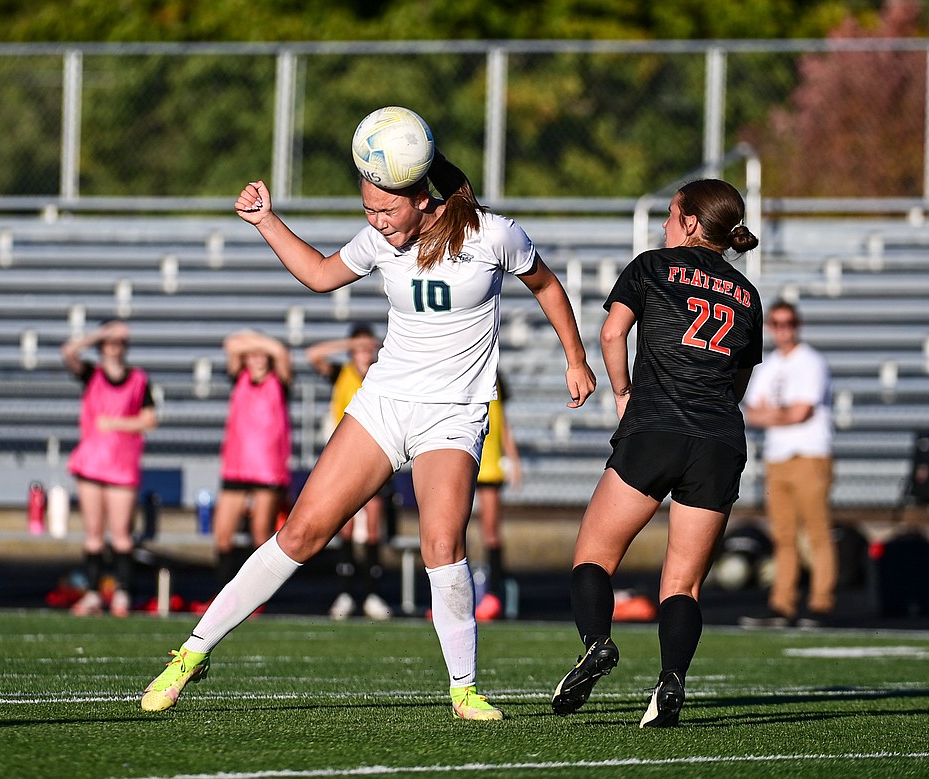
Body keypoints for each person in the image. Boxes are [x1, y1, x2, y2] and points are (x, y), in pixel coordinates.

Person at [141, 109, 597, 721]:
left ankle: (464, 690)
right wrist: (265, 222)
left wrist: (575, 358)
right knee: (300, 534)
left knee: (442, 544)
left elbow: (545, 286)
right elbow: (320, 275)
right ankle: (188, 657)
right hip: (383, 404)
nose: (378, 222)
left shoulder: (493, 235)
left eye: (387, 211)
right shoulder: (378, 241)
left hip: (453, 415)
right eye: (368, 211)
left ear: (421, 197)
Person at [551, 178, 762, 728]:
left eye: (671, 215)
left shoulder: (651, 265)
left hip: (656, 428)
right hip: (719, 439)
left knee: (594, 556)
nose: (665, 225)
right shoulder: (748, 295)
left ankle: (598, 643)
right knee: (683, 584)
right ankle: (671, 681)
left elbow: (611, 334)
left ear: (691, 221)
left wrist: (624, 394)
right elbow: (737, 380)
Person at [739, 300, 836, 629]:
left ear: (798, 325)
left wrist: (772, 415)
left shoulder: (811, 362)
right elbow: (752, 412)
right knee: (783, 537)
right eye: (777, 323)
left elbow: (801, 412)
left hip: (809, 455)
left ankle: (821, 602)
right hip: (778, 458)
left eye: (789, 323)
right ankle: (783, 603)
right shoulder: (769, 366)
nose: (784, 329)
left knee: (817, 533)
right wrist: (780, 415)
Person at [62, 319, 158, 617]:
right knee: (93, 533)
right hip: (91, 463)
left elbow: (149, 419)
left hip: (122, 465)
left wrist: (116, 423)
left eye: (118, 342)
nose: (113, 347)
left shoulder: (138, 379)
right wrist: (101, 332)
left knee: (121, 535)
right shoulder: (92, 374)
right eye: (109, 342)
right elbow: (68, 353)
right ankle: (92, 593)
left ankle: (122, 592)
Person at [194, 329, 293, 610]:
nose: (259, 358)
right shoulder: (240, 378)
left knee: (261, 536)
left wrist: (257, 341)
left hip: (268, 470)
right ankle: (222, 600)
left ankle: (256, 600)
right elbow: (230, 344)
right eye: (253, 354)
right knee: (222, 535)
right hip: (237, 467)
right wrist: (259, 341)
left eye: (264, 354)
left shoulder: (279, 381)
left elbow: (283, 354)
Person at [306, 323, 393, 621]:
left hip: (377, 454)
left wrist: (371, 348)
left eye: (368, 347)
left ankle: (370, 593)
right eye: (359, 347)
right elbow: (313, 355)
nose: (364, 353)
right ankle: (344, 593)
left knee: (371, 527)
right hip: (345, 457)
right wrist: (348, 343)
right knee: (343, 525)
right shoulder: (341, 373)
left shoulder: (383, 372)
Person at [473, 372, 521, 621]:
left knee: (490, 531)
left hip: (489, 465)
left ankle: (492, 594)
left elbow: (502, 422)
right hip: (464, 457)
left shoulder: (497, 378)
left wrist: (513, 459)